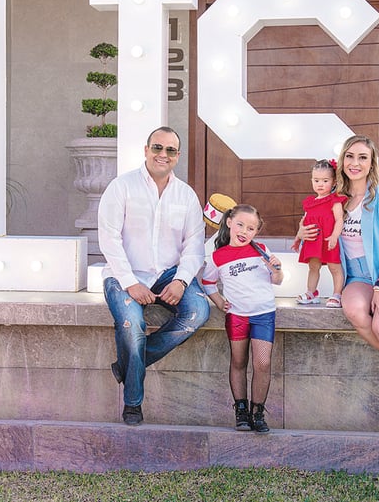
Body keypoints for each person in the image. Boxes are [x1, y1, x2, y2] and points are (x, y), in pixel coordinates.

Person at [297, 134, 379, 435]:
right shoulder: (335, 199)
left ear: (372, 164)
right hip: (356, 276)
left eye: (362, 158)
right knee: (355, 311)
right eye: (350, 157)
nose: (355, 163)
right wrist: (303, 233)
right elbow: (315, 226)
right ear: (342, 162)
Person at [98, 126, 210, 426]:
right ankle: (133, 402)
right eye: (157, 148)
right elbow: (109, 239)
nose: (163, 154)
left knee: (199, 311)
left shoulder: (186, 195)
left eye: (170, 150)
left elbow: (194, 245)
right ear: (146, 150)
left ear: (178, 155)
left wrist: (181, 279)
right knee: (133, 324)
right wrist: (131, 283)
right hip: (124, 274)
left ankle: (129, 366)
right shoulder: (121, 187)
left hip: (168, 274)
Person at [202, 204, 283, 434]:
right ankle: (241, 411)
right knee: (239, 363)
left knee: (262, 363)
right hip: (237, 316)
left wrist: (276, 269)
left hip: (263, 314)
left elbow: (277, 280)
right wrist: (219, 302)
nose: (244, 231)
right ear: (229, 222)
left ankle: (258, 412)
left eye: (251, 228)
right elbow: (208, 283)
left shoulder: (262, 250)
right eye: (240, 225)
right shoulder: (218, 256)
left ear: (256, 232)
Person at [292, 158, 346, 307]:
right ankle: (311, 292)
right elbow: (304, 221)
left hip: (329, 239)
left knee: (334, 267)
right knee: (313, 267)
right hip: (314, 240)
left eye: (325, 180)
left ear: (334, 182)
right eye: (316, 180)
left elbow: (339, 219)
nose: (320, 184)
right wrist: (298, 238)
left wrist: (335, 236)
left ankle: (337, 294)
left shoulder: (334, 200)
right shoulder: (310, 202)